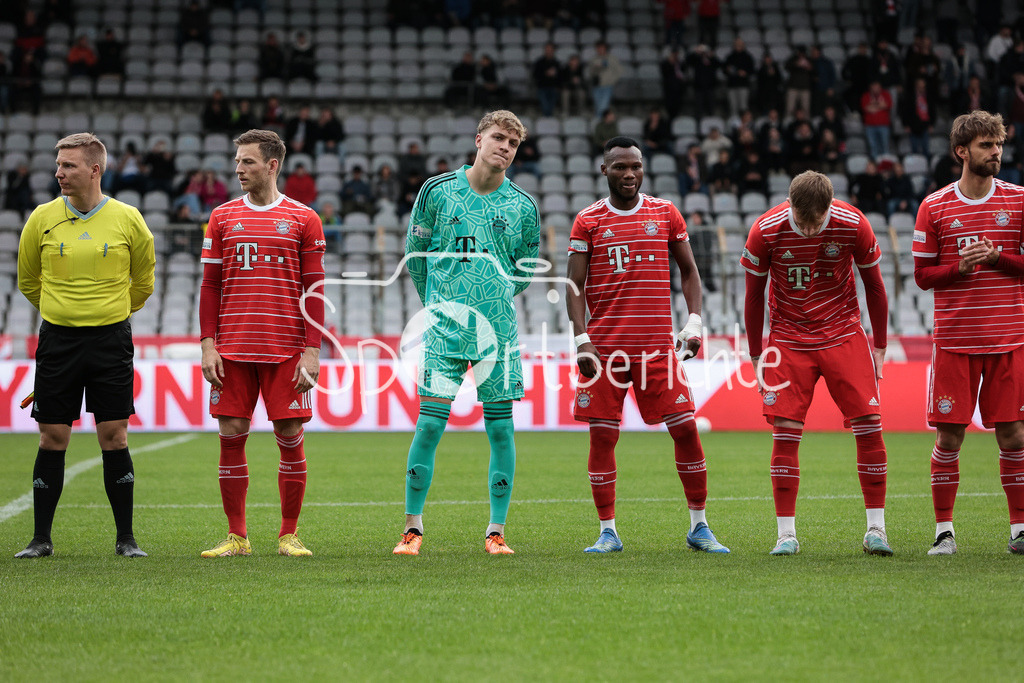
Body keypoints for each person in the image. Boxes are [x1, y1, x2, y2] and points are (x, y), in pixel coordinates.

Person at [565, 136, 730, 554]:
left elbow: (690, 272)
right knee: (602, 438)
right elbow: (574, 285)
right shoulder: (588, 220)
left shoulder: (665, 213)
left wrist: (693, 322)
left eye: (635, 166)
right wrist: (581, 338)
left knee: (687, 430)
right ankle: (608, 531)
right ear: (605, 170)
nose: (629, 174)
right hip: (605, 351)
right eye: (620, 166)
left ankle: (699, 526)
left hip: (658, 348)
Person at [394, 110, 540, 556]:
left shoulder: (522, 207)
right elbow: (414, 255)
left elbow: (527, 268)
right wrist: (439, 303)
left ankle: (496, 531)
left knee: (501, 430)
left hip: (497, 334)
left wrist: (493, 295)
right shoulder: (436, 191)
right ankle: (412, 529)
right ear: (479, 139)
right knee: (430, 425)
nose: (505, 148)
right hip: (444, 331)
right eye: (498, 138)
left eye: (512, 144)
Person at [14, 133, 155, 559]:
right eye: (58, 165)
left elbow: (144, 282)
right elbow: (28, 281)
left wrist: (106, 312)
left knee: (114, 435)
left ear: (95, 170)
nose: (59, 172)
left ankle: (126, 539)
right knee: (52, 436)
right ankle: (40, 539)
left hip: (112, 340)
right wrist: (64, 311)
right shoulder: (41, 218)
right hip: (58, 339)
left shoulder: (129, 218)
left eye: (69, 166)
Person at [741, 170, 892, 556]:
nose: (810, 231)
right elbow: (754, 297)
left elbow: (874, 285)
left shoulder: (853, 223)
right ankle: (786, 535)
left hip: (843, 333)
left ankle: (877, 530)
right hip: (789, 340)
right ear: (789, 206)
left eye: (818, 222)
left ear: (830, 208)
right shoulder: (765, 230)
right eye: (803, 223)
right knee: (786, 431)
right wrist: (757, 354)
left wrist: (879, 344)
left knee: (870, 426)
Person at [198, 129, 326, 558]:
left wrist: (312, 349)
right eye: (237, 161)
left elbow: (315, 288)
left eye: (248, 162)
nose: (238, 169)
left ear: (272, 165)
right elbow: (209, 285)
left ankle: (289, 534)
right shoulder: (221, 217)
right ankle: (237, 537)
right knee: (230, 433)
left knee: (289, 434)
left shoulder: (304, 219)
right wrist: (207, 344)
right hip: (232, 349)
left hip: (287, 348)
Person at [912, 110, 1024, 556]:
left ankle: (1019, 529)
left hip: (1008, 340)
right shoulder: (934, 206)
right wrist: (959, 268)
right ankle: (944, 531)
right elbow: (921, 275)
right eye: (986, 145)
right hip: (955, 343)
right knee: (949, 439)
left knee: (1014, 435)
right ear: (962, 151)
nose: (996, 153)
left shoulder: (1018, 201)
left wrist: (998, 260)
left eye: (998, 145)